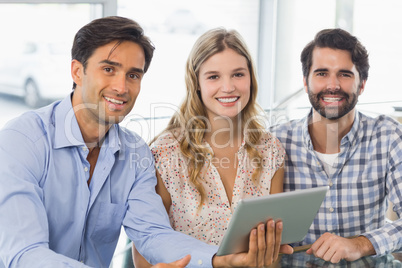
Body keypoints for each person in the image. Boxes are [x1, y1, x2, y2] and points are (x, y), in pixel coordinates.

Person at [0, 17, 286, 268]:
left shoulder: (134, 153)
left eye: (133, 75)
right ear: (77, 71)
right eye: (109, 69)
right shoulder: (23, 141)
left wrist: (219, 260)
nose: (122, 87)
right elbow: (25, 253)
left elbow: (152, 233)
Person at [132, 28, 294, 268]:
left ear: (251, 78)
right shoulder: (166, 153)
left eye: (238, 74)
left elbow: (271, 252)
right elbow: (146, 250)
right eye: (213, 77)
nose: (228, 87)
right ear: (196, 82)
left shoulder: (270, 149)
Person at [270, 28, 402, 264]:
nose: (332, 85)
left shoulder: (388, 136)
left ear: (361, 85)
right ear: (305, 82)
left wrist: (361, 244)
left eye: (344, 74)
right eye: (321, 73)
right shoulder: (275, 142)